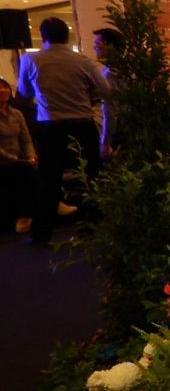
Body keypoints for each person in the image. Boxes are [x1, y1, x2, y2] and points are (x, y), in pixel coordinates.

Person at [17, 16, 109, 244]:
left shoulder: (31, 59)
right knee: (89, 178)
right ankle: (92, 230)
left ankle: (42, 234)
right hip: (83, 126)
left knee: (48, 181)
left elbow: (24, 92)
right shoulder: (83, 61)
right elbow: (105, 89)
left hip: (51, 128)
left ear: (43, 36)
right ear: (67, 36)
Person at [0, 78, 36, 233]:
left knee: (38, 165)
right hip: (4, 160)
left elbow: (26, 139)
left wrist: (31, 156)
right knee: (23, 169)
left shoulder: (17, 114)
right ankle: (27, 216)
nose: (3, 91)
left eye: (5, 87)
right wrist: (17, 160)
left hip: (20, 159)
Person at [93, 26, 123, 156]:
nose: (95, 48)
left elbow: (110, 110)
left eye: (97, 44)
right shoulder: (128, 68)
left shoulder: (110, 74)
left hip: (120, 132)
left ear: (110, 46)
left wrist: (105, 141)